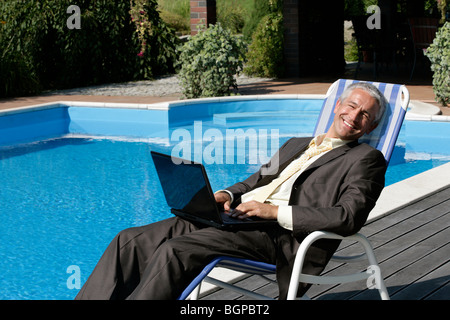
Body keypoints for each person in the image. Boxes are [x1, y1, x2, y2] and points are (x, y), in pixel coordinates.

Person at [75, 82, 387, 300]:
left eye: (365, 116)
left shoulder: (366, 160)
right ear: (337, 106)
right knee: (129, 240)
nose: (354, 117)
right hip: (237, 218)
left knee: (175, 251)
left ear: (370, 128)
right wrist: (226, 195)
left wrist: (274, 211)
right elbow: (254, 182)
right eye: (352, 106)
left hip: (276, 235)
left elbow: (348, 217)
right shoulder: (296, 143)